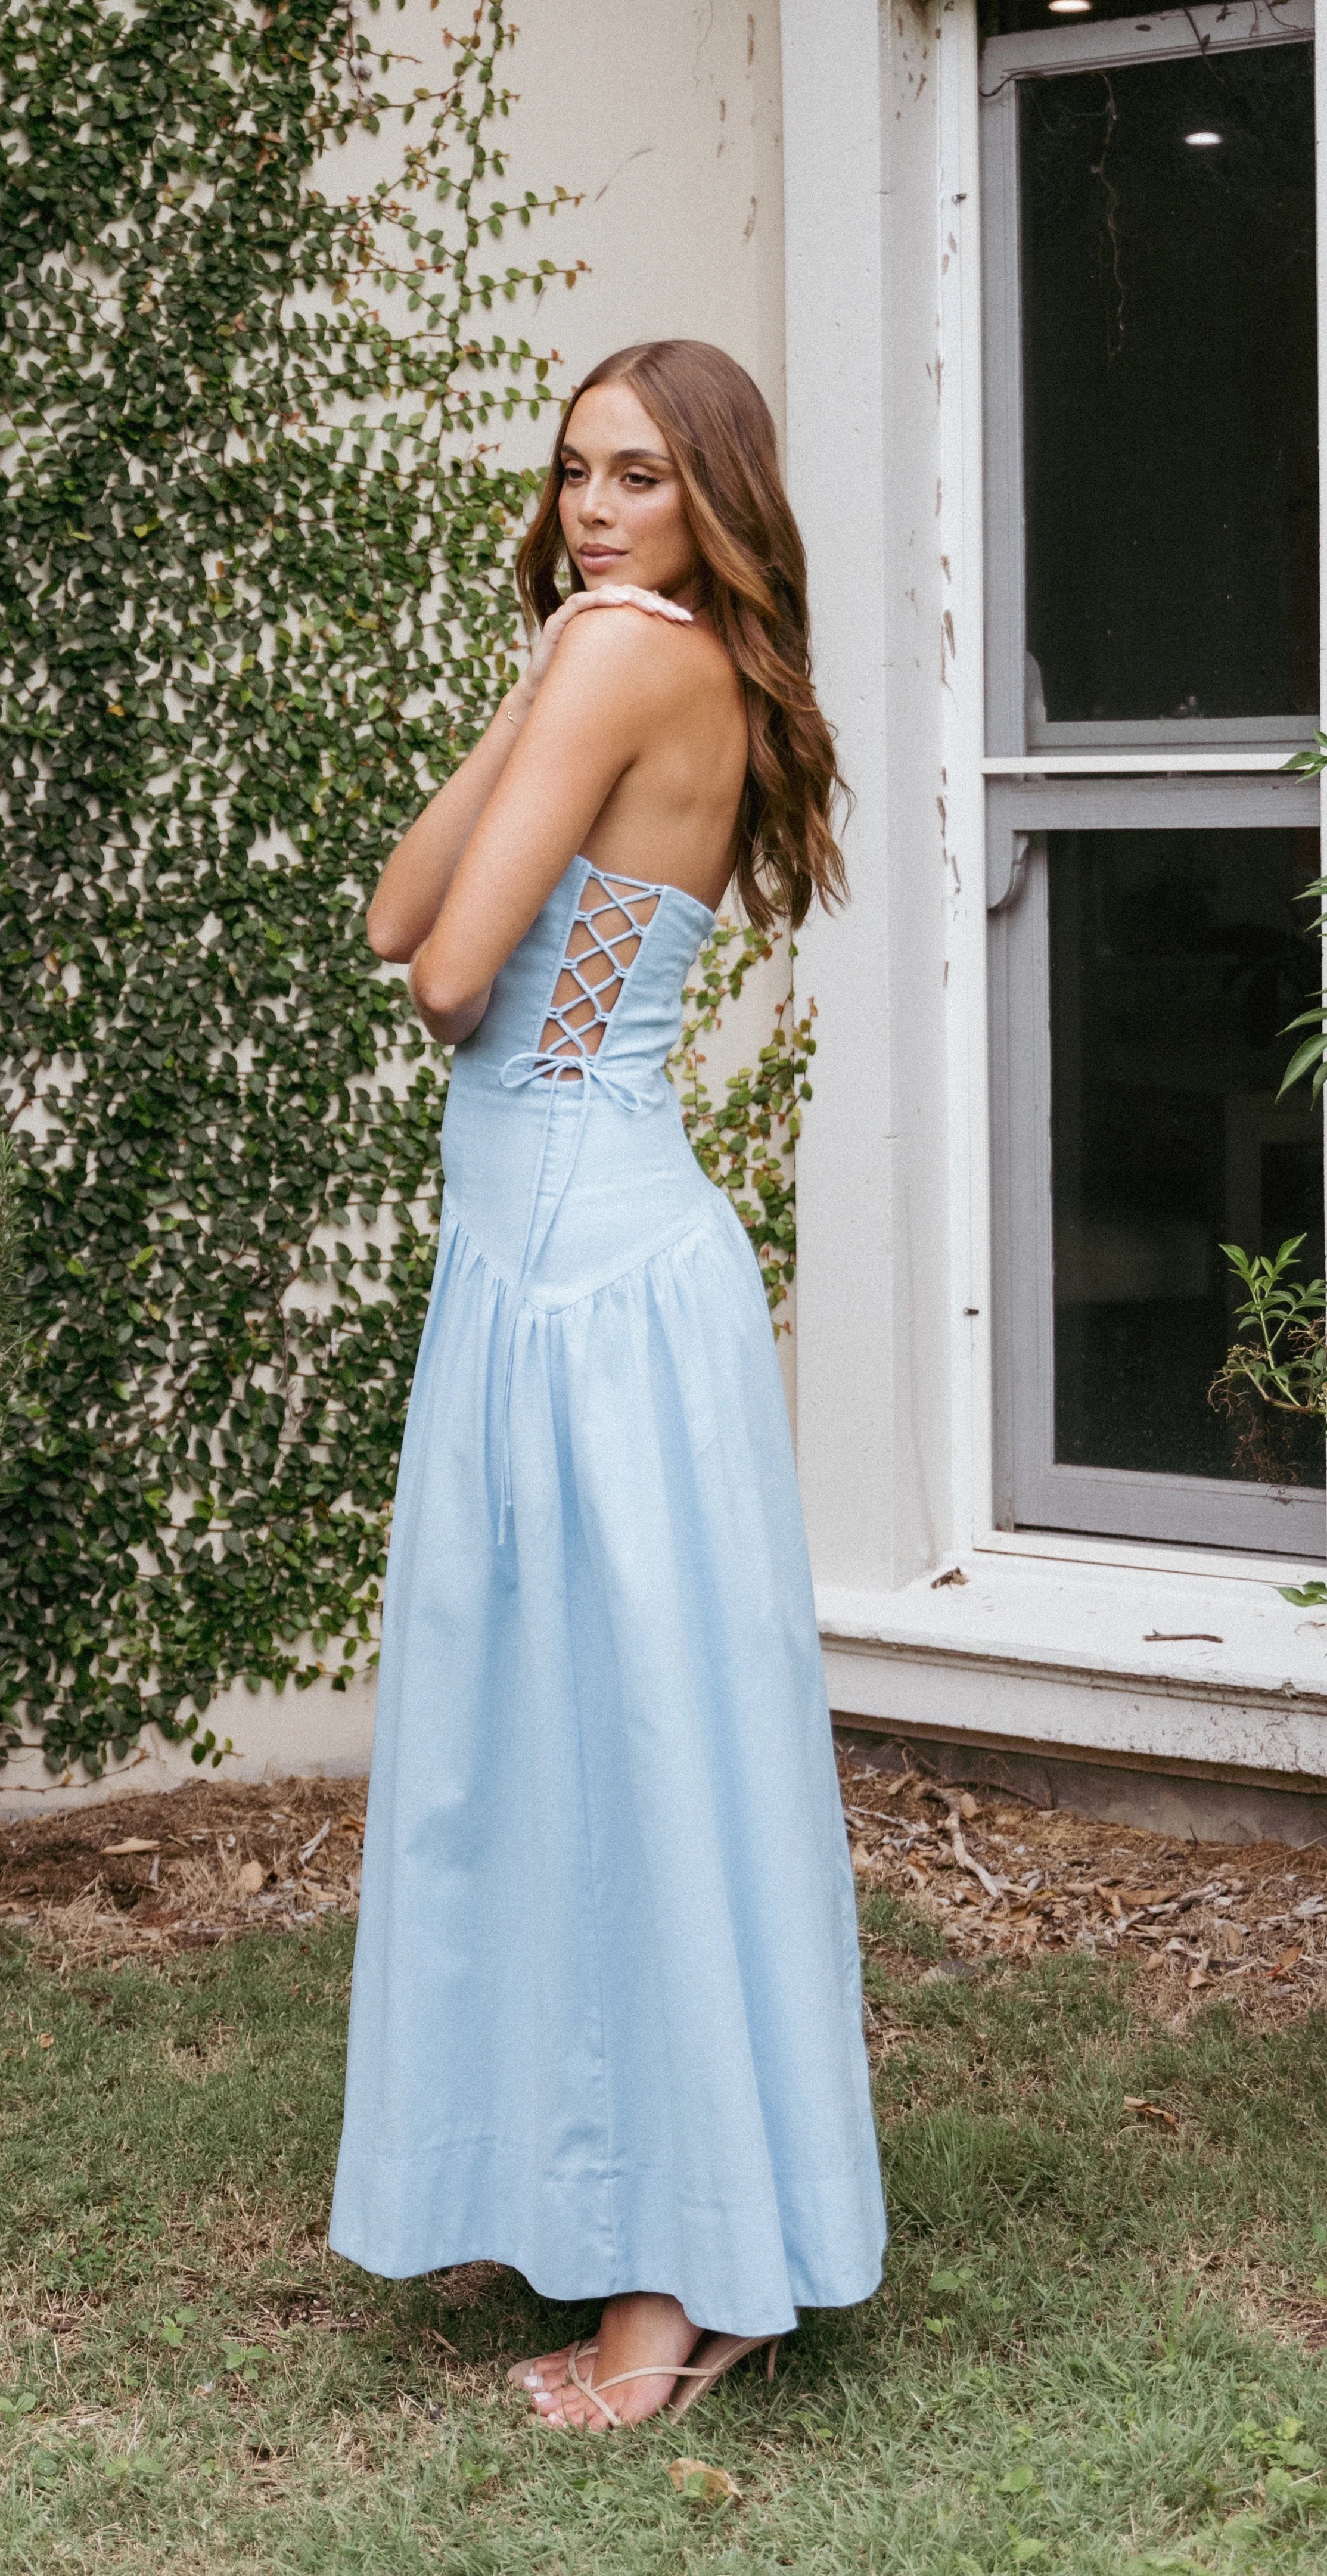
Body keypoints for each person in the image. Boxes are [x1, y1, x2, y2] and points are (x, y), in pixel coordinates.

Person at [329, 338, 885, 2429]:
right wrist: (536, 671)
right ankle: (621, 2200)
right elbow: (394, 911)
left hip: (581, 1279)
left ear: (713, 490)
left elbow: (448, 977)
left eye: (640, 475)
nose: (592, 507)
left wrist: (569, 660)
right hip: (582, 1269)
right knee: (595, 1750)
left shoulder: (628, 661)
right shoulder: (655, 658)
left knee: (622, 1761)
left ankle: (674, 2292)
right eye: (575, 471)